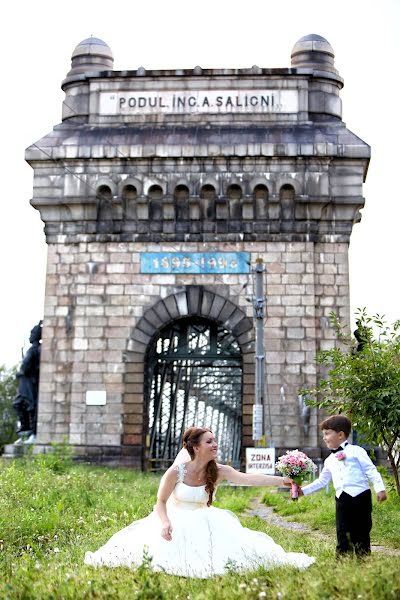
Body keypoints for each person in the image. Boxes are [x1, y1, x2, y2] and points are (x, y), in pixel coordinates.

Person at [84, 427, 315, 577]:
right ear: (195, 447)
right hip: (175, 520)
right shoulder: (176, 472)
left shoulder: (220, 470)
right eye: (209, 442)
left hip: (206, 519)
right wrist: (164, 522)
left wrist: (283, 480)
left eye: (215, 441)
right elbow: (160, 501)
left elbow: (249, 478)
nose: (215, 445)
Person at [299, 415, 387, 556]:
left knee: (362, 530)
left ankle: (362, 558)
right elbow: (322, 481)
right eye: (323, 434)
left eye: (327, 433)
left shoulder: (356, 451)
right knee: (342, 530)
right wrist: (303, 491)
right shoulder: (329, 460)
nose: (324, 437)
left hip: (361, 497)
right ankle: (342, 559)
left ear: (340, 435)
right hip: (342, 499)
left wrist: (380, 489)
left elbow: (371, 470)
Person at [13, 321, 42, 444]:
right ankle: (25, 431)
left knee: (32, 406)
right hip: (23, 383)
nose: (30, 336)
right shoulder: (32, 349)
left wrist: (21, 371)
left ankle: (34, 434)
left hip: (31, 382)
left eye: (32, 333)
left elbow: (26, 366)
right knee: (18, 404)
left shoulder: (36, 349)